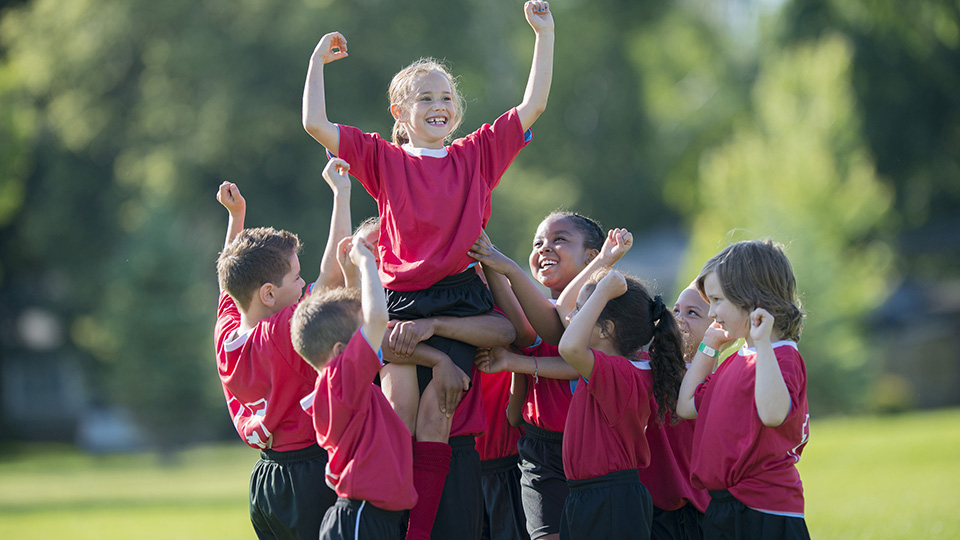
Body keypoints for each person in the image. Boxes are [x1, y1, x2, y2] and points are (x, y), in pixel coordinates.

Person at [302, 4, 554, 539]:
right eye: (426, 98)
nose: (438, 106)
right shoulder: (384, 160)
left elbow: (533, 104)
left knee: (436, 416)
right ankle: (387, 517)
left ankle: (417, 533)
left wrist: (544, 34)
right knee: (397, 410)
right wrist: (318, 63)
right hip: (400, 298)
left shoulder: (477, 154)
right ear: (400, 111)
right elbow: (314, 124)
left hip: (457, 297)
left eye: (446, 98)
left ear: (457, 111)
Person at [213, 158, 353, 539]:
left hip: (266, 481)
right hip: (308, 475)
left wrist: (236, 218)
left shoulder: (226, 334)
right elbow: (333, 275)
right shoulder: (281, 332)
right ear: (269, 294)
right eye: (295, 276)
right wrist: (342, 194)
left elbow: (230, 284)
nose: (302, 280)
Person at [469, 212, 603, 540]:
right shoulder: (536, 314)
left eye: (559, 239)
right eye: (537, 243)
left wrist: (517, 364)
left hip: (593, 447)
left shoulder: (604, 310)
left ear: (592, 257)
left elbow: (577, 358)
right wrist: (485, 253)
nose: (544, 248)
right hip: (539, 452)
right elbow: (515, 413)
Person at [677, 240, 811, 540]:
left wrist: (762, 343)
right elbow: (686, 405)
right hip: (725, 506)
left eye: (717, 300)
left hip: (765, 510)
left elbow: (774, 414)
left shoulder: (782, 356)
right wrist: (709, 345)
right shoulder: (735, 360)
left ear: (751, 299)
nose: (712, 312)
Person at [292, 237, 416, 540]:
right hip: (361, 517)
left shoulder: (343, 385)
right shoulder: (338, 379)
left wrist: (352, 274)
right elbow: (376, 318)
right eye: (360, 336)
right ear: (339, 352)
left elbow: (364, 319)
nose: (368, 338)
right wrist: (366, 263)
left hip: (370, 517)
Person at [556, 267, 686, 540]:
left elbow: (568, 347)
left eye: (582, 310)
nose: (571, 316)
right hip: (595, 494)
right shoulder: (623, 366)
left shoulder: (619, 372)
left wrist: (602, 291)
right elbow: (562, 310)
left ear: (606, 329)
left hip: (609, 499)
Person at [632, 283, 714, 540]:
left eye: (693, 313)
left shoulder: (721, 380)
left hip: (703, 508)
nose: (679, 318)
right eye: (676, 309)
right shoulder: (647, 368)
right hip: (654, 509)